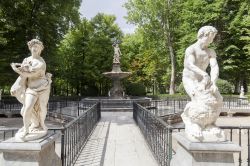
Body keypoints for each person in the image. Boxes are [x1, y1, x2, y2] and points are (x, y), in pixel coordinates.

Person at [181, 26, 225, 142]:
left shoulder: (210, 52)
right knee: (198, 99)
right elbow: (190, 65)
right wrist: (205, 74)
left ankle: (210, 123)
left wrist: (214, 82)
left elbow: (214, 66)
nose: (212, 40)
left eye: (213, 37)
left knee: (218, 98)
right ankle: (194, 124)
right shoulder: (191, 49)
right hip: (190, 79)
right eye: (211, 37)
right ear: (203, 35)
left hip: (204, 80)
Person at [11, 39, 52, 140]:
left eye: (37, 47)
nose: (35, 48)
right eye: (33, 46)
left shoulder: (41, 62)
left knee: (42, 109)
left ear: (40, 50)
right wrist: (16, 86)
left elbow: (28, 73)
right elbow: (23, 76)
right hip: (31, 88)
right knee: (27, 108)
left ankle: (41, 124)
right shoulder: (26, 60)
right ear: (30, 48)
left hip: (43, 88)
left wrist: (16, 69)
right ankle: (26, 129)